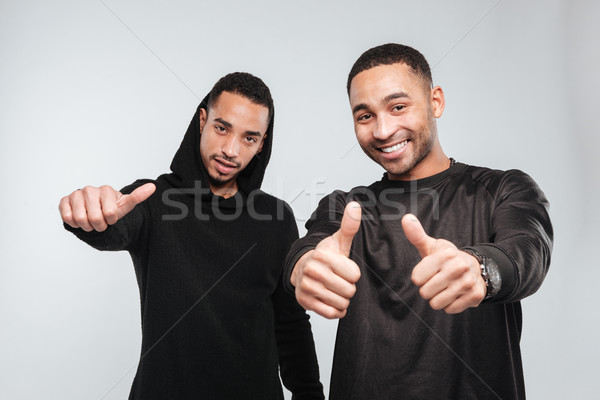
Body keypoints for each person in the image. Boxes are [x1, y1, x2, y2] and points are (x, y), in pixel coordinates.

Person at [285, 44, 553, 399]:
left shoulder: (503, 188)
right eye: (365, 116)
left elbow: (527, 251)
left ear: (435, 102)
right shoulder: (345, 206)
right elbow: (310, 247)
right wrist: (304, 268)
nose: (382, 130)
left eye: (398, 107)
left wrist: (481, 270)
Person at [59, 72, 324, 400]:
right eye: (222, 127)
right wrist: (88, 215)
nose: (230, 150)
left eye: (249, 138)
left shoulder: (277, 218)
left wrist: (309, 393)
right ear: (203, 120)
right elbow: (115, 226)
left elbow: (290, 321)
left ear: (261, 144)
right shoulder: (153, 199)